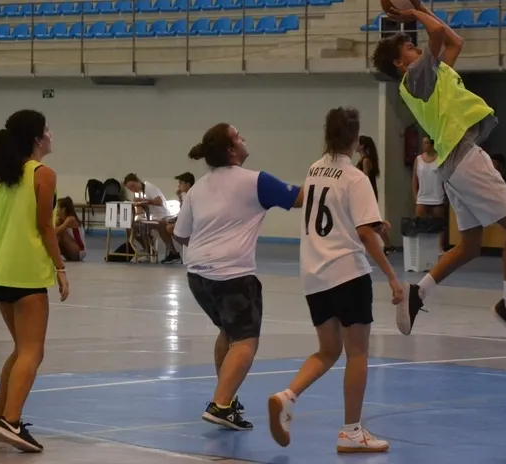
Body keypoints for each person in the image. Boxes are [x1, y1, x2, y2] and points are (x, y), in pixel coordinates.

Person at [371, 2, 506, 342]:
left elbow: (454, 40)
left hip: (452, 163)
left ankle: (419, 292)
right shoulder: (415, 77)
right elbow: (434, 33)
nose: (417, 49)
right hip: (464, 156)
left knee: (470, 245)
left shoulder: (435, 71)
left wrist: (420, 7)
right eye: (409, 49)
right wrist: (414, 11)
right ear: (402, 64)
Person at [268, 108, 404, 453]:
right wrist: (391, 275)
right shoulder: (356, 177)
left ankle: (288, 396)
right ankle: (352, 431)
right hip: (347, 273)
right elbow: (363, 233)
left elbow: (342, 218)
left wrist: (372, 226)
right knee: (357, 353)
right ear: (358, 142)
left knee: (328, 350)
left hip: (314, 274)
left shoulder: (315, 169)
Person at [172, 122, 302, 431]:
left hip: (198, 277)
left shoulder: (198, 188)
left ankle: (227, 401)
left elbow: (181, 235)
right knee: (245, 341)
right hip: (233, 277)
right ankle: (220, 404)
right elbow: (300, 198)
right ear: (232, 149)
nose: (244, 138)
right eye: (238, 136)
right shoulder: (255, 181)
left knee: (228, 334)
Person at [0, 110, 69, 453]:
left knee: (20, 349)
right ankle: (11, 421)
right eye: (47, 129)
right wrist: (60, 268)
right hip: (27, 271)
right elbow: (46, 226)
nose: (51, 133)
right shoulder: (42, 174)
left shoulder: (4, 178)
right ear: (37, 138)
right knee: (34, 351)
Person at [123, 173, 179, 263]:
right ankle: (147, 250)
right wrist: (137, 206)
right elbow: (140, 211)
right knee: (131, 227)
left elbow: (159, 201)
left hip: (163, 215)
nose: (133, 189)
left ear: (137, 181)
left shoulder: (150, 188)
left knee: (160, 225)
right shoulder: (138, 194)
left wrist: (144, 201)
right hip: (152, 217)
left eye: (133, 186)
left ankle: (174, 253)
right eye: (130, 189)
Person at [356, 136, 394, 254]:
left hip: (368, 194)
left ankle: (387, 244)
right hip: (365, 194)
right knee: (371, 223)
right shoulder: (362, 160)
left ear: (362, 145)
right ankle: (388, 245)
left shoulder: (366, 160)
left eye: (357, 142)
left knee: (372, 222)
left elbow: (365, 178)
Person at [413, 136, 446, 217]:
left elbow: (445, 178)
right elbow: (414, 179)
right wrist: (415, 196)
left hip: (437, 199)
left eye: (426, 143)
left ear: (432, 145)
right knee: (421, 225)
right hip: (422, 198)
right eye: (423, 143)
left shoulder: (439, 159)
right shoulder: (418, 159)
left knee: (437, 225)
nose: (423, 145)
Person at [55, 197, 86, 261]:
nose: (56, 210)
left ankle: (54, 256)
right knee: (58, 232)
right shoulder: (61, 220)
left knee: (60, 232)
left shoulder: (71, 219)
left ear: (63, 209)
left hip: (79, 252)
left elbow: (54, 232)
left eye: (57, 207)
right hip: (71, 253)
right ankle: (54, 255)